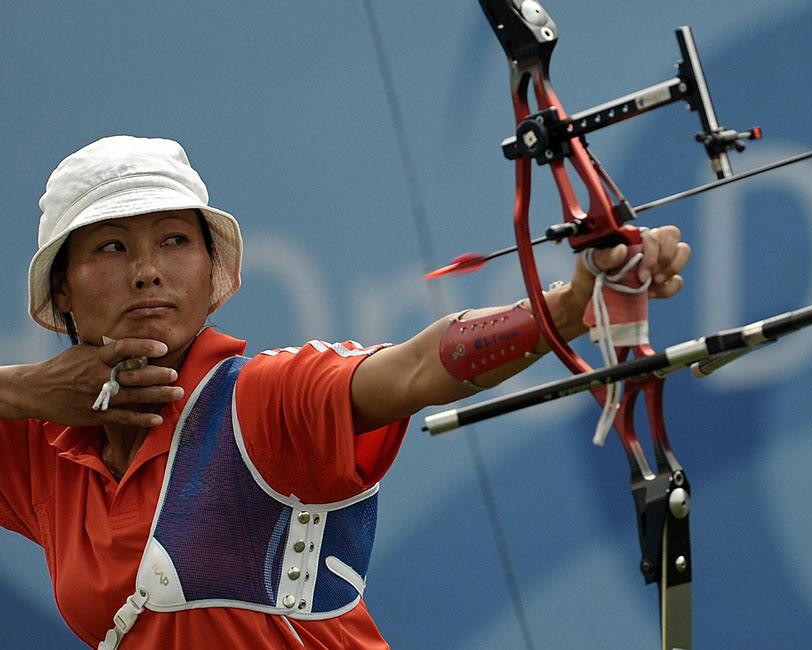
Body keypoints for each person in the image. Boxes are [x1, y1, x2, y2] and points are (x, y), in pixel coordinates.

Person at [0, 135, 690, 649]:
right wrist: (27, 389)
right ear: (61, 288)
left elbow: (416, 367)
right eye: (112, 248)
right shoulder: (43, 445)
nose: (149, 271)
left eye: (175, 239)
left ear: (211, 272)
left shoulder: (257, 401)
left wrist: (569, 306)